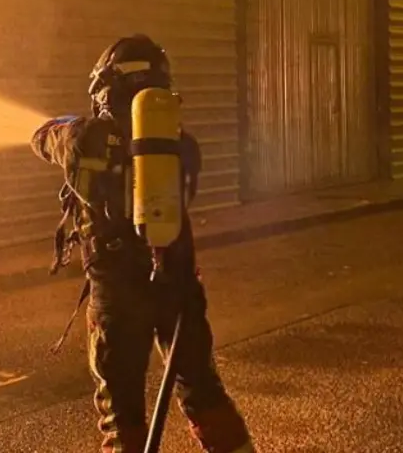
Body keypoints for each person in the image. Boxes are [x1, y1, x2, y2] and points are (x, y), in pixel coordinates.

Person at [30, 34, 255, 453]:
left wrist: (78, 131)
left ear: (104, 90)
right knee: (203, 390)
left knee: (122, 414)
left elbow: (42, 135)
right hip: (179, 285)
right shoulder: (181, 146)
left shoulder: (82, 139)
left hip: (117, 295)